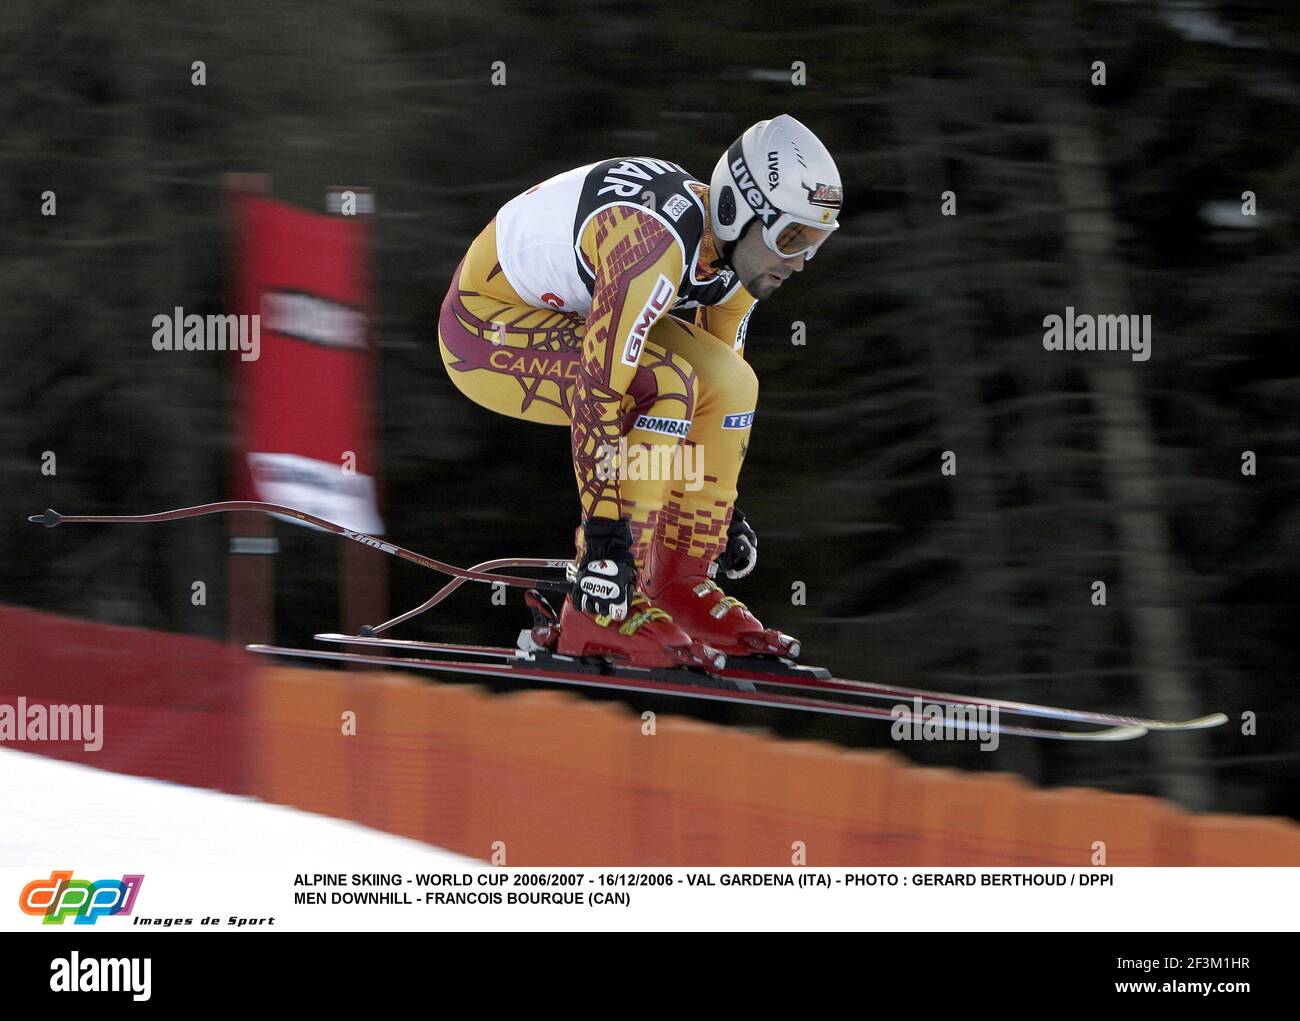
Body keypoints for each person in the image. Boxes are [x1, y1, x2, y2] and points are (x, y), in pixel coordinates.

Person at [437, 114, 842, 667]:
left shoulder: (734, 256)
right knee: (660, 386)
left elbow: (716, 406)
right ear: (736, 210)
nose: (797, 263)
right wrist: (605, 543)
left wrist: (714, 510)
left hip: (570, 311)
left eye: (814, 243)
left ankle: (679, 585)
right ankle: (599, 610)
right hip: (484, 328)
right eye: (790, 238)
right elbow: (600, 396)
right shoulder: (653, 247)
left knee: (731, 382)